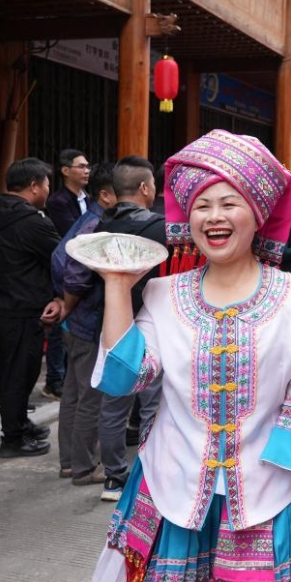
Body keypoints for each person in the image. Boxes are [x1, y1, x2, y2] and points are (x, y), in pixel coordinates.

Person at [90, 129, 291, 582]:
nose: (214, 217)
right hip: (171, 487)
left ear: (257, 215)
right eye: (202, 205)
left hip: (268, 490)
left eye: (229, 203)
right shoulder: (162, 292)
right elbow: (125, 378)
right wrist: (117, 285)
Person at [94, 156, 167, 501]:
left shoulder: (99, 230)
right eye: (152, 184)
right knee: (152, 402)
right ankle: (150, 470)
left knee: (114, 402)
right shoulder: (161, 228)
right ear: (143, 188)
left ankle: (114, 476)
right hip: (154, 321)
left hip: (113, 322)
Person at [0, 158, 62, 458]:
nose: (48, 191)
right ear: (33, 186)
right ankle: (12, 440)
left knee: (6, 373)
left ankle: (17, 423)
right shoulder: (31, 222)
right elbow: (62, 258)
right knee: (20, 374)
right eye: (47, 185)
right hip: (21, 309)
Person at [53, 163, 117, 483]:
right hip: (85, 320)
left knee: (74, 394)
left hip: (75, 321)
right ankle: (82, 467)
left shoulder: (87, 219)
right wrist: (68, 305)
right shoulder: (95, 225)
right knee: (90, 395)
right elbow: (76, 277)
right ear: (106, 194)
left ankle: (68, 462)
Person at [43, 148, 91, 400]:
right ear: (65, 170)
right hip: (66, 270)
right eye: (81, 166)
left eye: (87, 167)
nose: (86, 171)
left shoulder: (88, 198)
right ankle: (54, 378)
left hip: (84, 269)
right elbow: (71, 235)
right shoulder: (58, 202)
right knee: (61, 325)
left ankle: (66, 374)